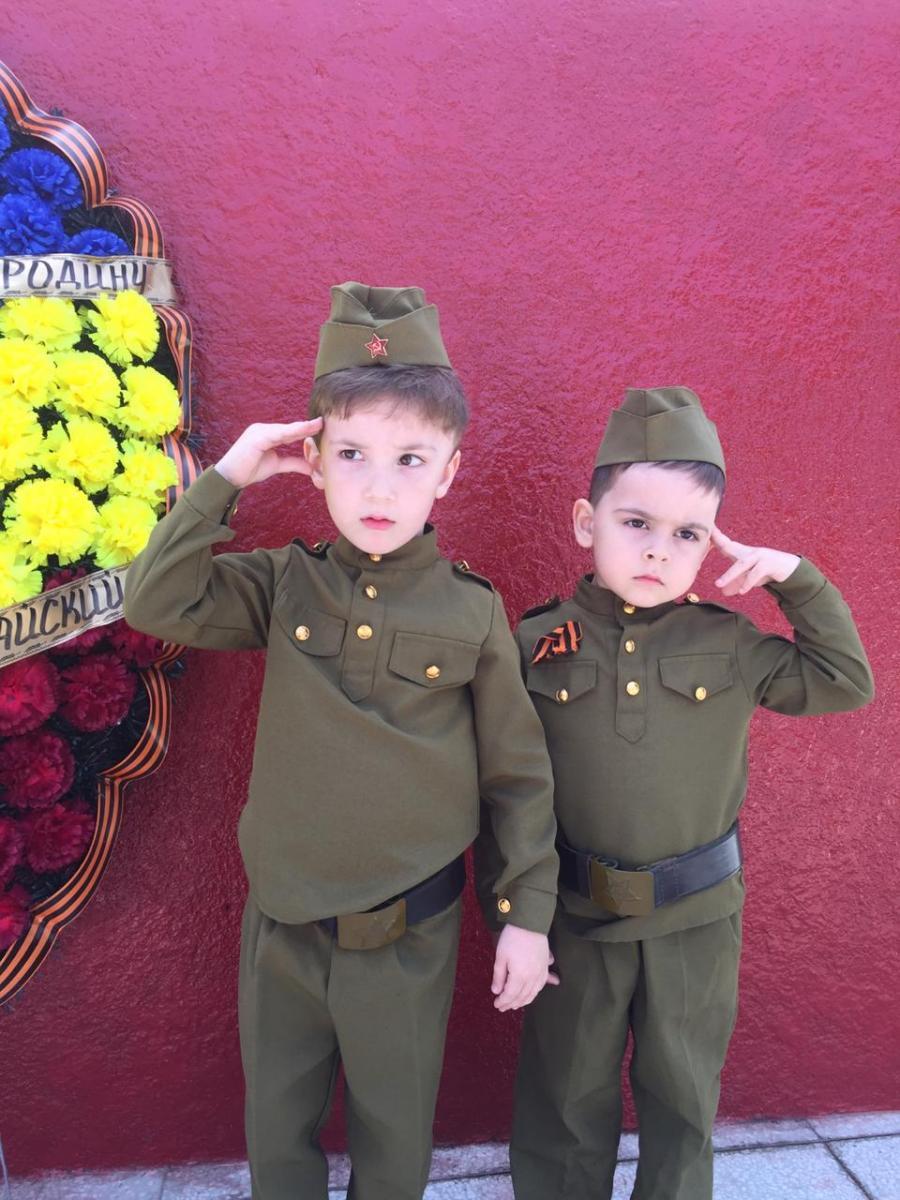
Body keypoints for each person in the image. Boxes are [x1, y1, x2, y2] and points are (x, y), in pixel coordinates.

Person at [125, 282, 559, 1200]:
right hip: (282, 925)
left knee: (394, 1142)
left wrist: (525, 916)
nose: (378, 486)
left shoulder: (472, 611)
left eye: (410, 459)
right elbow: (156, 601)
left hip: (408, 935)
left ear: (448, 473)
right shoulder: (285, 584)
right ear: (313, 461)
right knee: (277, 1134)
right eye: (351, 454)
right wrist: (228, 476)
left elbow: (517, 776)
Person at [482, 386, 874, 1200]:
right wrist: (517, 915)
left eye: (687, 534)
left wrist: (793, 578)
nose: (659, 551)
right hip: (575, 920)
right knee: (563, 1105)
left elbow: (845, 681)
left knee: (683, 1103)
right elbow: (500, 790)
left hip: (695, 922)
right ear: (586, 523)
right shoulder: (534, 643)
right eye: (636, 523)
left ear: (709, 543)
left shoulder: (730, 643)